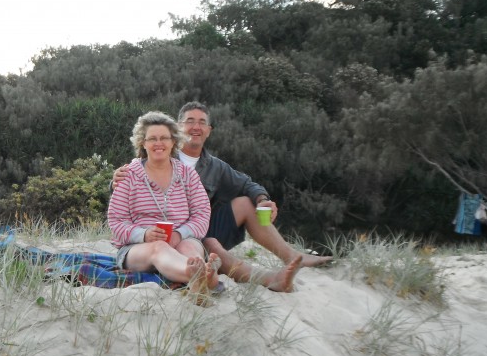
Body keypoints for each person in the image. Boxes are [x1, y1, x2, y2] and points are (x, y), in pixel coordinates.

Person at [112, 102, 332, 293]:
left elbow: (242, 186)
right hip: (156, 240)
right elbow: (117, 213)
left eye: (202, 122)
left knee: (240, 208)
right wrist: (141, 229)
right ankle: (211, 276)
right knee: (200, 245)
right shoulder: (134, 170)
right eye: (190, 121)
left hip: (192, 232)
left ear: (208, 130)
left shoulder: (210, 167)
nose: (196, 127)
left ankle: (289, 258)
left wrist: (262, 198)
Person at [107, 111, 220, 301]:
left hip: (182, 238)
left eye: (164, 138)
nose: (158, 143)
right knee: (158, 246)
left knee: (190, 249)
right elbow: (116, 221)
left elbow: (202, 213)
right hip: (137, 248)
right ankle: (204, 277)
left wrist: (179, 234)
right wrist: (143, 234)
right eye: (152, 138)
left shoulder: (187, 175)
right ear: (143, 143)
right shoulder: (128, 175)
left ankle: (198, 274)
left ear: (173, 141)